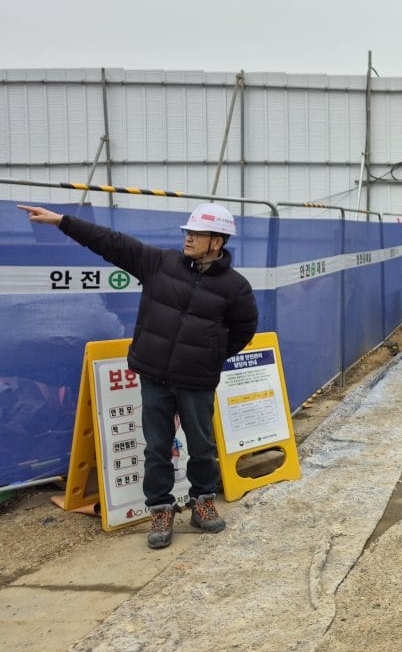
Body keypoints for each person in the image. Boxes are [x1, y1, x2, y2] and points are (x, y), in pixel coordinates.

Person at [17, 202, 258, 549]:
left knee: (202, 447)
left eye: (196, 234)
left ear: (217, 242)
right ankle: (160, 508)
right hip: (155, 376)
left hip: (196, 381)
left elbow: (243, 330)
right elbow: (111, 241)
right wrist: (62, 222)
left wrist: (208, 358)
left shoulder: (236, 288)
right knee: (156, 447)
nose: (188, 238)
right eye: (187, 232)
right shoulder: (159, 263)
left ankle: (203, 502)